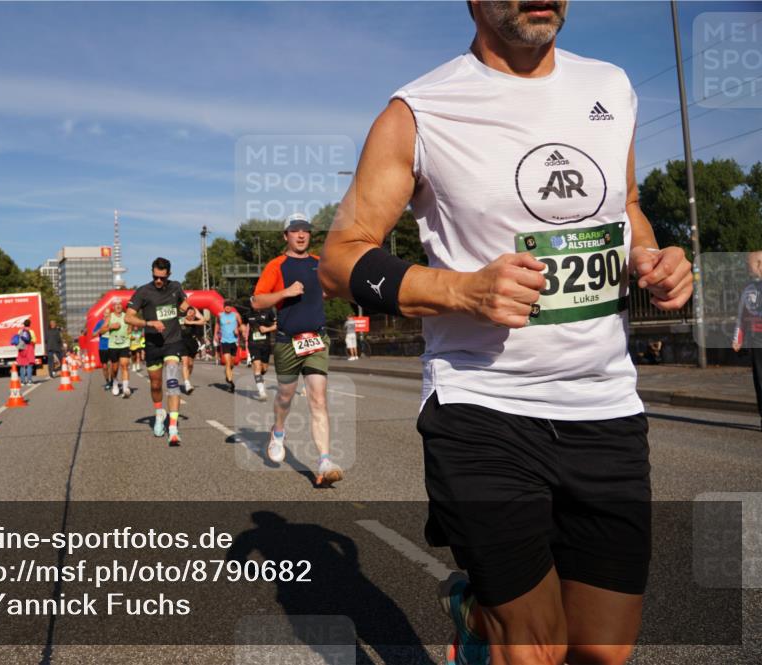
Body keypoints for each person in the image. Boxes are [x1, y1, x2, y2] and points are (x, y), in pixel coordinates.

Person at [316, 2, 694, 663]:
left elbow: (626, 206)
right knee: (536, 646)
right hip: (483, 406)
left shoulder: (610, 87)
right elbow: (342, 255)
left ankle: (472, 611)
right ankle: (492, 621)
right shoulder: (418, 111)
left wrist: (649, 259)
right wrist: (460, 289)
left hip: (605, 405)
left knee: (602, 650)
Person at [252, 213, 342, 487]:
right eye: (295, 231)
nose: (301, 235)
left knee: (318, 399)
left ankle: (324, 461)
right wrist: (284, 293)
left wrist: (333, 290)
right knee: (285, 397)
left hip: (316, 340)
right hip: (287, 341)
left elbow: (330, 290)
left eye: (305, 230)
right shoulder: (276, 266)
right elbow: (257, 301)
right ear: (286, 236)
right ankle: (278, 431)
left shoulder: (320, 263)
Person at [125, 257, 196, 445]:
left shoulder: (175, 287)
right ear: (152, 273)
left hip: (173, 341)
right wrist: (148, 323)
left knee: (172, 381)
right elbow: (128, 318)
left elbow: (183, 305)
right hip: (152, 344)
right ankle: (159, 413)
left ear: (169, 275)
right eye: (155, 277)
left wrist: (190, 310)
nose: (158, 281)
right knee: (156, 385)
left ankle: (172, 428)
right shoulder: (143, 291)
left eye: (162, 278)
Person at [732, 250, 762, 431]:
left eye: (749, 264)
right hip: (757, 339)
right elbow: (742, 316)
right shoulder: (748, 290)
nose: (747, 268)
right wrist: (737, 338)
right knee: (760, 379)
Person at [244, 306, 277, 399]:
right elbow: (242, 323)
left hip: (265, 344)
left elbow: (277, 325)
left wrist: (267, 329)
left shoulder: (269, 311)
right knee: (257, 366)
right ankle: (261, 392)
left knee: (264, 368)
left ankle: (260, 378)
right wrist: (242, 329)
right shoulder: (248, 313)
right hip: (253, 344)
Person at [215, 300, 244, 393]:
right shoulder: (220, 315)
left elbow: (242, 326)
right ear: (224, 307)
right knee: (227, 362)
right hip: (224, 341)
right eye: (226, 306)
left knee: (231, 363)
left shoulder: (236, 315)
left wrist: (238, 330)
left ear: (231, 307)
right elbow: (217, 324)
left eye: (229, 306)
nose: (228, 307)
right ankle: (230, 382)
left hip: (234, 341)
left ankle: (228, 375)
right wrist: (216, 334)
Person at [106, 299, 132, 397]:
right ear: (113, 307)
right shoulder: (110, 317)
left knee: (124, 365)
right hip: (113, 346)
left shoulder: (126, 316)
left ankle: (125, 388)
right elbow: (102, 330)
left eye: (120, 304)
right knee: (115, 368)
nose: (118, 306)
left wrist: (129, 331)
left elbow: (130, 326)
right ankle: (115, 383)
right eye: (116, 305)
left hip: (124, 345)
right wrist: (111, 327)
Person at [180, 306, 208, 394]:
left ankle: (187, 380)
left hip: (192, 343)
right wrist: (189, 321)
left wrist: (192, 321)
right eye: (189, 312)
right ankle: (187, 383)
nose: (190, 313)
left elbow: (203, 321)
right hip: (182, 342)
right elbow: (184, 321)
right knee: (185, 362)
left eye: (192, 312)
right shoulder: (181, 319)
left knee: (191, 364)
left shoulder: (196, 321)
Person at [16, 319, 37, 385]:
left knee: (22, 365)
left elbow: (17, 340)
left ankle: (22, 381)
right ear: (29, 324)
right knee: (29, 365)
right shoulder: (31, 331)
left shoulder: (20, 331)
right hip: (29, 348)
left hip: (21, 349)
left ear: (24, 324)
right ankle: (29, 381)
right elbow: (34, 340)